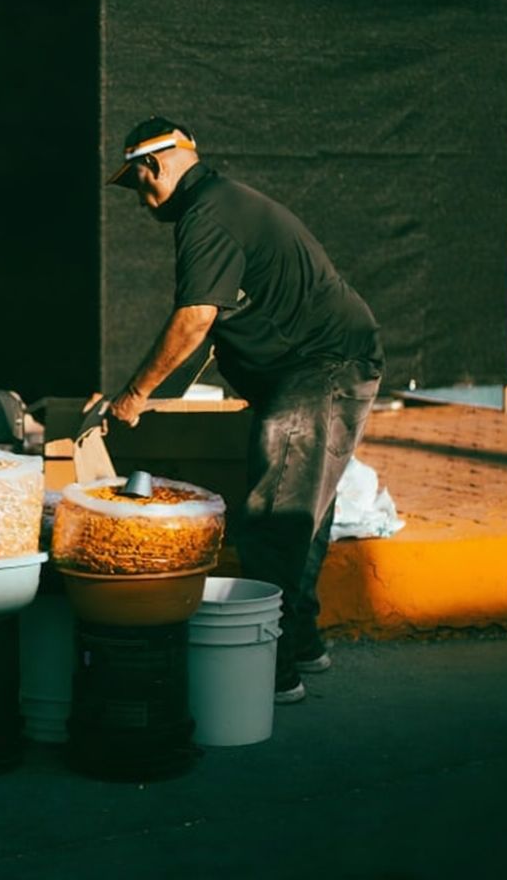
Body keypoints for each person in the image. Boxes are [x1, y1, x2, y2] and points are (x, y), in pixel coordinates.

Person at [105, 117, 384, 705]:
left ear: (152, 166)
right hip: (335, 359)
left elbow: (195, 318)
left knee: (274, 517)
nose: (139, 199)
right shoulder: (224, 202)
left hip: (318, 367)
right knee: (303, 518)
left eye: (136, 185)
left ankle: (269, 671)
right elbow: (218, 323)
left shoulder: (205, 214)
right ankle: (302, 644)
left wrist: (133, 395)